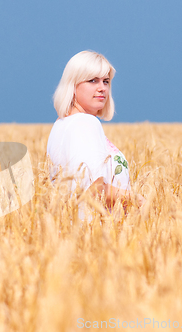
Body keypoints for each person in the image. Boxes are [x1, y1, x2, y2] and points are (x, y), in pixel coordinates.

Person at [46, 50, 145, 221]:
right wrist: (137, 199)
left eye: (106, 81)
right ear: (73, 84)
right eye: (92, 80)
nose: (102, 88)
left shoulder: (62, 124)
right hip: (98, 234)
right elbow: (94, 190)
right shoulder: (84, 123)